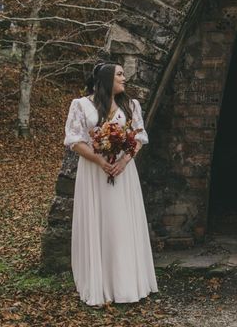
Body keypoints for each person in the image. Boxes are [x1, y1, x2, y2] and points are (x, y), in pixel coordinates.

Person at [64, 61, 158, 306]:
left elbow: (138, 137)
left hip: (123, 172)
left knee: (122, 223)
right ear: (106, 78)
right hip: (94, 172)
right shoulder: (81, 105)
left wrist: (125, 161)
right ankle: (100, 283)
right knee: (100, 222)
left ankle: (127, 284)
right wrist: (99, 160)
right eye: (119, 74)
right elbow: (75, 141)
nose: (124, 78)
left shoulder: (130, 105)